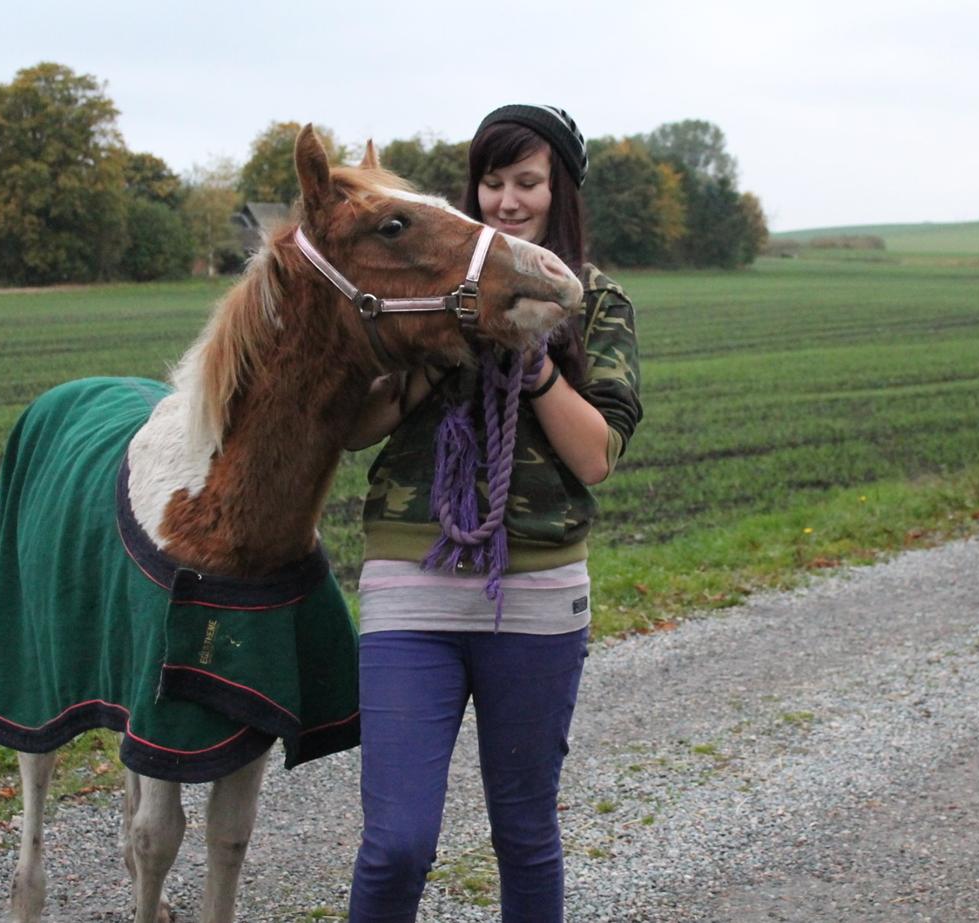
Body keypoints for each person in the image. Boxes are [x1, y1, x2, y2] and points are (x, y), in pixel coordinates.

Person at [345, 104, 642, 923]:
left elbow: (595, 457)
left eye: (527, 183)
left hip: (538, 593)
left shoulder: (599, 301)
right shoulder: (432, 285)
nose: (507, 201)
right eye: (492, 181)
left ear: (560, 191)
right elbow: (356, 429)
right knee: (396, 840)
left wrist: (536, 356)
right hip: (412, 583)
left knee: (523, 830)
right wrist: (443, 344)